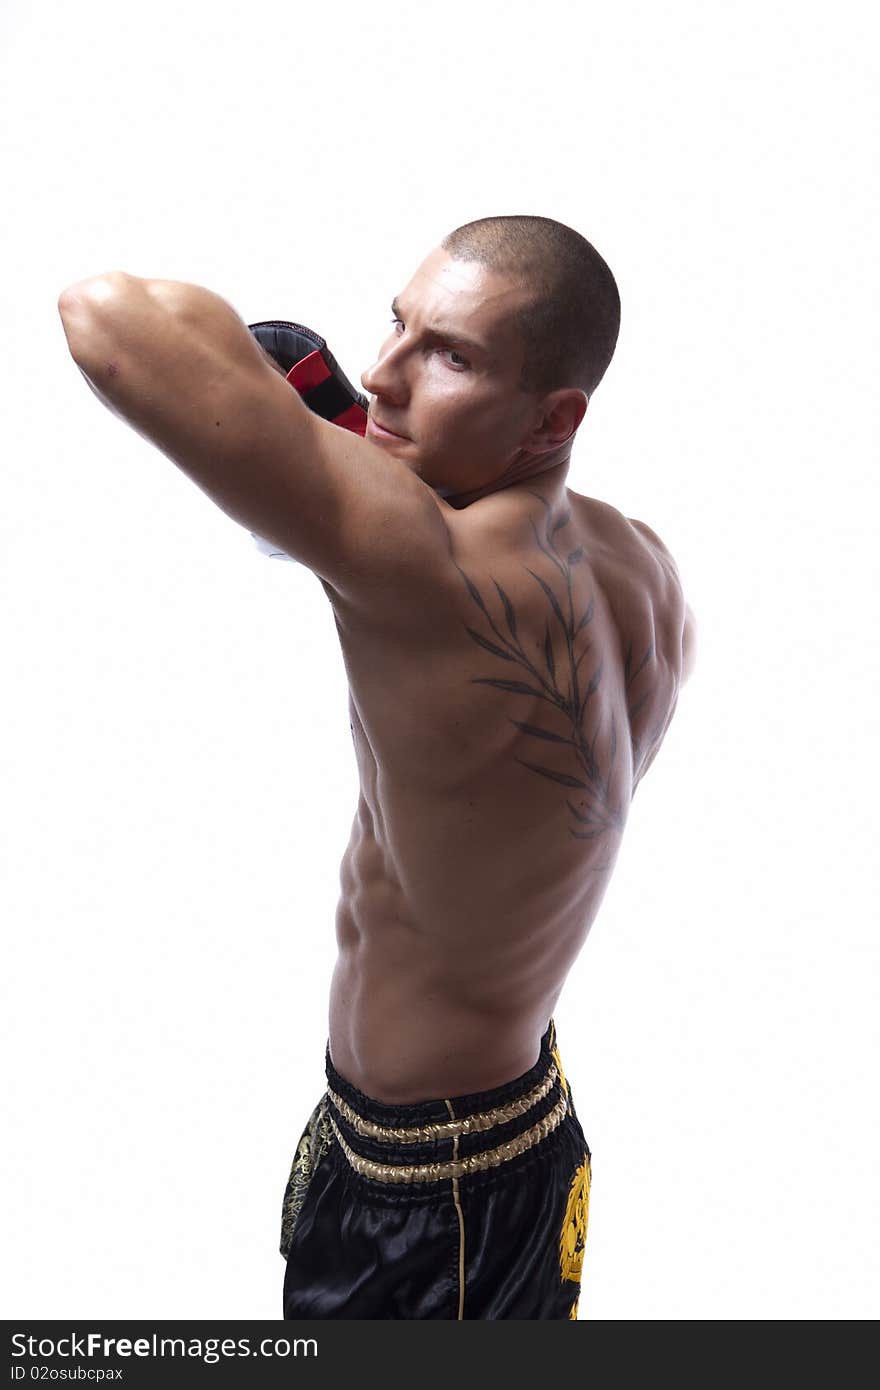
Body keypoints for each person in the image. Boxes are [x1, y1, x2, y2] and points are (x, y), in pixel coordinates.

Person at [57, 214, 697, 1319]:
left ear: (555, 417)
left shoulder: (424, 564)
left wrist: (340, 430)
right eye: (392, 325)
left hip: (427, 1195)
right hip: (520, 1128)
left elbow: (108, 318)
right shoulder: (642, 564)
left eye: (450, 356)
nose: (385, 375)